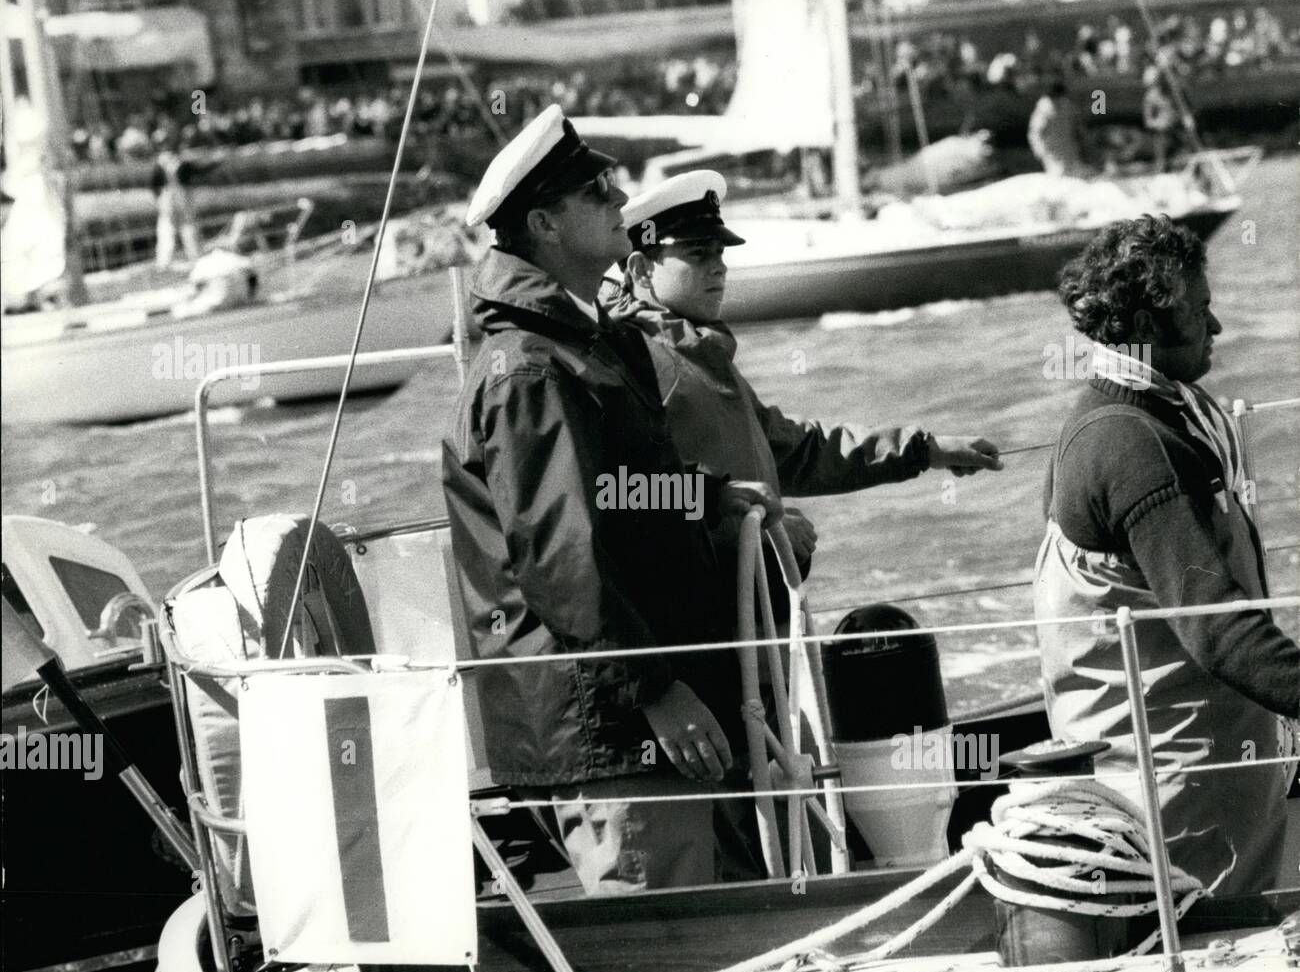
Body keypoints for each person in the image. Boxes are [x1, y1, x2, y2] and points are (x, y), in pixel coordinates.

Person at [603, 171, 1003, 874]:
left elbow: (797, 449)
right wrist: (754, 532)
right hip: (703, 642)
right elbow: (627, 501)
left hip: (750, 639)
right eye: (696, 255)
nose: (718, 266)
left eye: (720, 252)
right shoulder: (638, 362)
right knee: (747, 831)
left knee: (783, 811)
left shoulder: (699, 354)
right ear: (640, 266)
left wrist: (923, 450)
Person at [441, 106, 780, 896]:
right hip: (614, 726)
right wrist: (653, 688)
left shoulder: (585, 344)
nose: (618, 195)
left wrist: (714, 497)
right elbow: (564, 554)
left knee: (713, 928)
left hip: (643, 704)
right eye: (597, 189)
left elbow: (620, 495)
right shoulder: (528, 370)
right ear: (545, 223)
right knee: (670, 946)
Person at [1034, 214, 1299, 897]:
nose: (1215, 329)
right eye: (1201, 311)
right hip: (1180, 803)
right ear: (1152, 322)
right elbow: (1217, 627)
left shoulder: (1128, 416)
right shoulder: (1134, 443)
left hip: (1206, 770)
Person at [1027, 80, 1086, 177]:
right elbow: (1035, 133)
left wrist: (1081, 139)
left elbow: (1077, 124)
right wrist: (1040, 151)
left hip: (1069, 148)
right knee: (1059, 177)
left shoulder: (1067, 105)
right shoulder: (1044, 109)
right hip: (1052, 152)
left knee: (1075, 177)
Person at [1141, 65, 1179, 173]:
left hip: (1173, 127)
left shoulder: (1170, 94)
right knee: (1161, 147)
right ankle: (1161, 167)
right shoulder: (1151, 97)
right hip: (1161, 131)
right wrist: (1161, 124)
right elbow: (1148, 120)